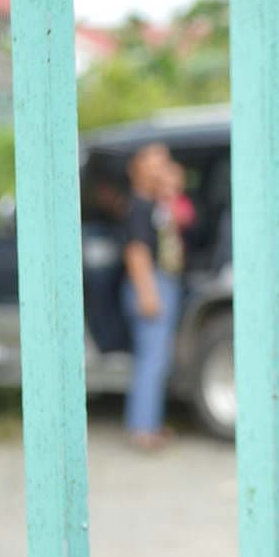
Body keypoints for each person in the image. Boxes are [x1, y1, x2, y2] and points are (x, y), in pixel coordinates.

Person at [121, 142, 185, 450]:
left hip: (164, 282)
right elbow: (136, 251)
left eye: (165, 161)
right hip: (150, 284)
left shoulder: (156, 204)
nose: (162, 168)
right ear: (136, 168)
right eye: (154, 163)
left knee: (159, 359)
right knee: (151, 359)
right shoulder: (138, 206)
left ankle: (150, 423)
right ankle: (142, 429)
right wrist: (148, 294)